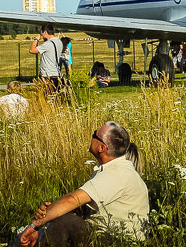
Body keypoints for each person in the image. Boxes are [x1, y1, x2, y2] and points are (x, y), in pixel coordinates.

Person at [15, 122, 149, 246]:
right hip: (110, 234)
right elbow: (82, 206)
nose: (92, 135)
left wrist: (35, 225)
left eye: (95, 135)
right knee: (63, 215)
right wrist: (50, 213)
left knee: (66, 223)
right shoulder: (112, 170)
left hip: (122, 240)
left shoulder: (117, 173)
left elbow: (72, 200)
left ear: (102, 147)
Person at [30, 24, 64, 92]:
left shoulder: (48, 44)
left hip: (48, 75)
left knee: (48, 97)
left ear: (45, 32)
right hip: (56, 73)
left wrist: (36, 39)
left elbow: (32, 50)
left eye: (42, 34)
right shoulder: (59, 41)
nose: (42, 36)